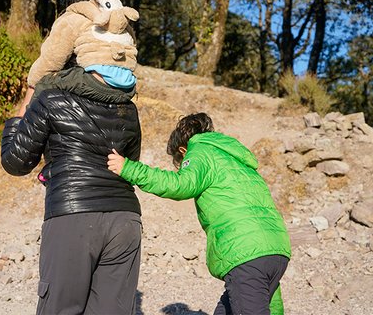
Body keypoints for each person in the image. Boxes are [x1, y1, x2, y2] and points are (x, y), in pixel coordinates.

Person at [107, 113, 292, 315]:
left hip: (244, 252)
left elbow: (180, 185)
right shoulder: (235, 158)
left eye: (179, 162)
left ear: (182, 150)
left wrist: (129, 168)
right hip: (275, 249)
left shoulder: (200, 151)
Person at [1, 63, 143, 315]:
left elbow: (16, 162)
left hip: (73, 214)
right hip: (125, 218)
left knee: (60, 308)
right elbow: (130, 163)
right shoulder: (128, 108)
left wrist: (22, 111)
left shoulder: (49, 98)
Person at [14, 0, 140, 117]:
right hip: (126, 86)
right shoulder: (118, 23)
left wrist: (33, 85)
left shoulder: (73, 18)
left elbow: (50, 60)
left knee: (44, 83)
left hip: (93, 83)